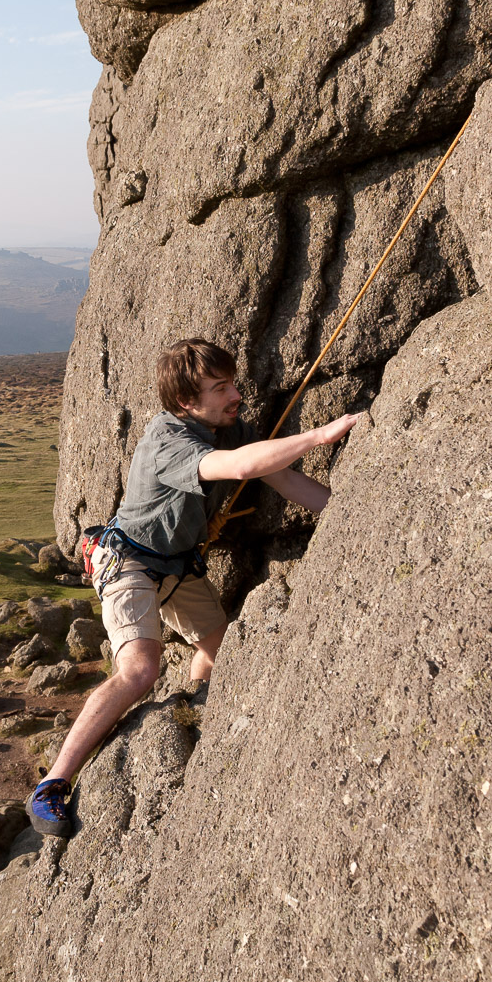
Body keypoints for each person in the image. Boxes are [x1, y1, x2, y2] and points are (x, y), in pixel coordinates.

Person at [27, 338, 360, 838]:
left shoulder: (225, 427)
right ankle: (52, 785)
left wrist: (357, 516)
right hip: (130, 563)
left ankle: (188, 702)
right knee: (139, 670)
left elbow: (283, 477)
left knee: (220, 649)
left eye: (232, 383)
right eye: (219, 388)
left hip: (180, 567)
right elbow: (243, 467)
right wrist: (320, 435)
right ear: (186, 401)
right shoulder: (169, 440)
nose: (235, 396)